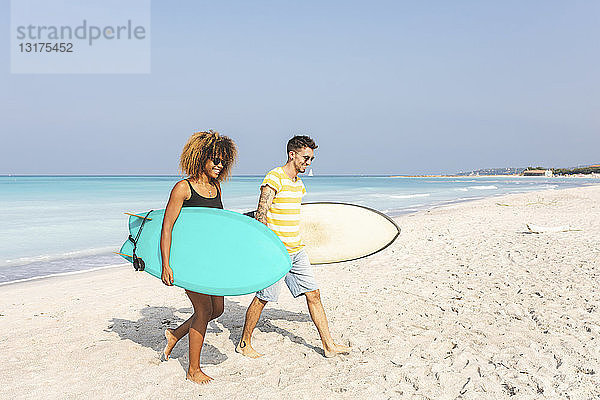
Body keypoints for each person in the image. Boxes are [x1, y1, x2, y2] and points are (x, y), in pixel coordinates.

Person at [236, 135, 351, 358]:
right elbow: (261, 215)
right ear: (292, 154)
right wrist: (267, 249)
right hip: (276, 253)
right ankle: (244, 343)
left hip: (296, 251)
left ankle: (328, 345)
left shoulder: (299, 185)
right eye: (306, 158)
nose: (309, 163)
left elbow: (292, 216)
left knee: (314, 294)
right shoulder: (274, 178)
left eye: (312, 159)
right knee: (264, 297)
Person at [159, 130, 237, 384]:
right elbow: (167, 227)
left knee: (218, 310)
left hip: (212, 259)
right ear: (201, 157)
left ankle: (175, 334)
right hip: (189, 260)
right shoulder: (183, 188)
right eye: (215, 159)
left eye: (223, 161)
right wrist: (166, 264)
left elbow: (217, 226)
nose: (219, 165)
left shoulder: (216, 188)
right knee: (203, 310)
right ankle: (193, 370)